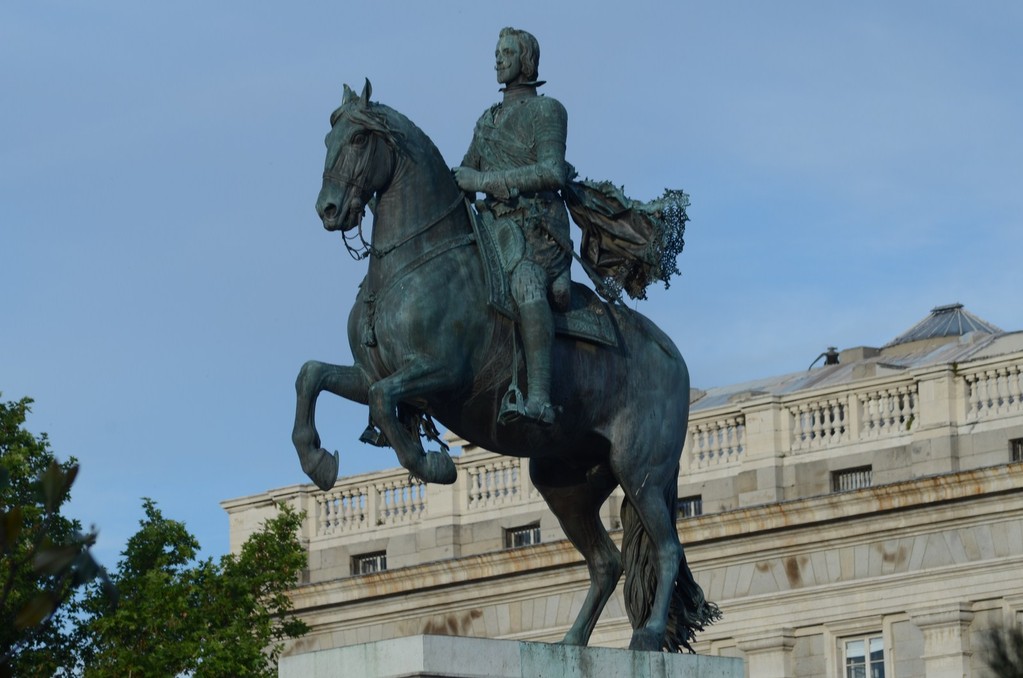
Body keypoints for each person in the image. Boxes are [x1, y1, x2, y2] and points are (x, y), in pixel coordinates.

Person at [454, 26, 571, 427]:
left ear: (526, 60)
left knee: (525, 283)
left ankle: (539, 397)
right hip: (494, 227)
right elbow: (466, 170)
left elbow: (553, 171)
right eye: (497, 52)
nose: (498, 59)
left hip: (538, 228)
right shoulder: (486, 120)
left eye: (506, 52)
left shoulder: (547, 111)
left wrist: (484, 183)